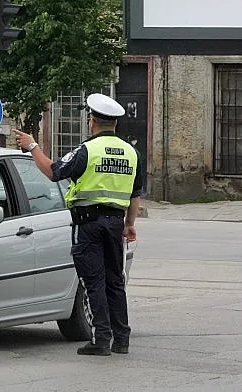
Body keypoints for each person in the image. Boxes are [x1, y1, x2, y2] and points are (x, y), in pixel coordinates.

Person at [12, 93, 145, 357]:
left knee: (93, 282)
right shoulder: (132, 153)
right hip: (115, 224)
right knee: (115, 282)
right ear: (115, 124)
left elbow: (53, 172)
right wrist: (130, 224)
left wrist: (32, 146)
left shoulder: (88, 150)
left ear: (92, 121)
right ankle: (122, 339)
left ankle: (101, 340)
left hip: (89, 225)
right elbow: (135, 194)